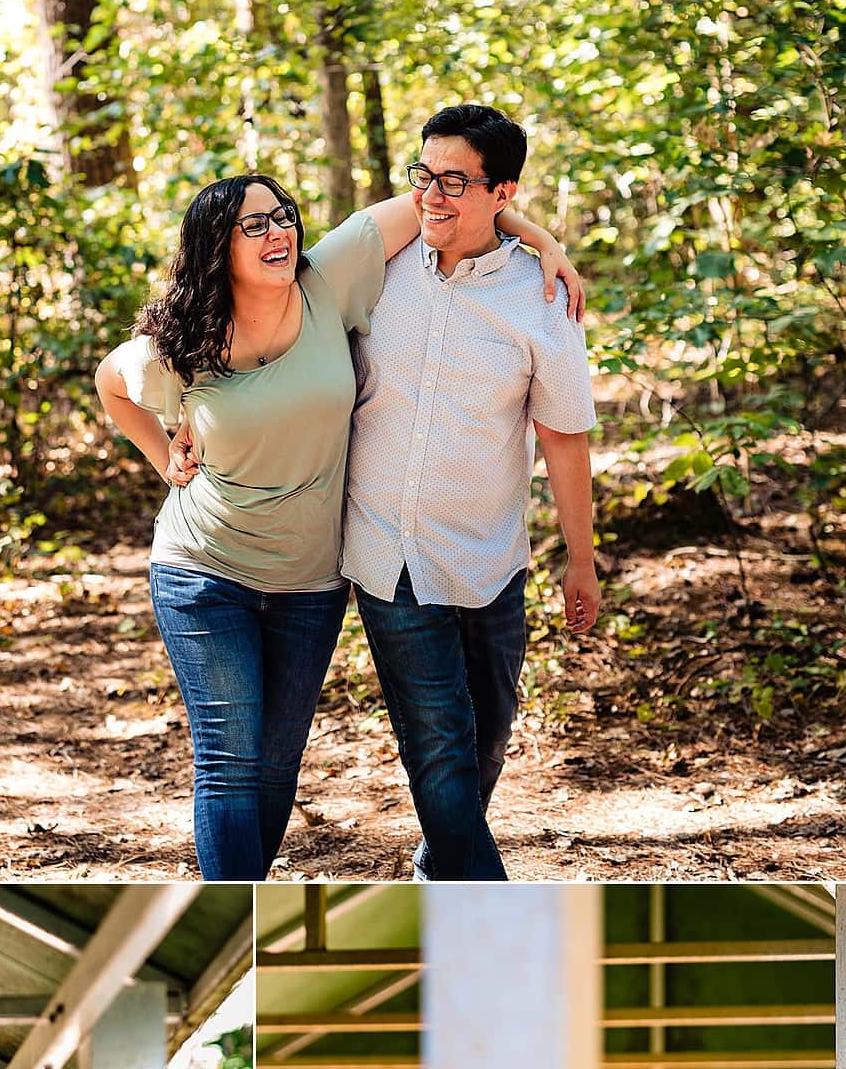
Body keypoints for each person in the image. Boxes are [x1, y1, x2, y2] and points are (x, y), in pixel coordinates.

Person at [96, 169, 585, 881]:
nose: (277, 233)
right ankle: (238, 913)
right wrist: (161, 454)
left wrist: (540, 239)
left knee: (275, 764)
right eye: (253, 225)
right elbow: (113, 383)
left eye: (282, 216)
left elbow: (447, 201)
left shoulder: (327, 278)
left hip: (312, 584)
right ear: (215, 247)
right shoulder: (185, 337)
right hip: (204, 570)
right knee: (230, 761)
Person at [341, 102, 600, 880]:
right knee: (438, 746)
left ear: (502, 193)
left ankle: (437, 872)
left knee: (485, 741)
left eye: (454, 182)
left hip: (488, 556)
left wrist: (580, 560)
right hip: (387, 552)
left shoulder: (541, 299)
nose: (431, 195)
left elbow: (563, 436)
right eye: (423, 175)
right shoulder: (376, 269)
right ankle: (492, 909)